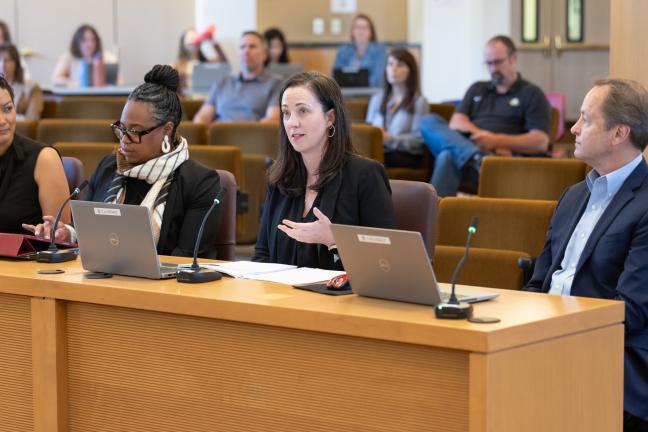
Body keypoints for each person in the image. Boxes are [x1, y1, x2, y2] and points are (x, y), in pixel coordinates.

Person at [524, 78, 648, 431]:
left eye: (586, 119)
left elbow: (631, 311)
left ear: (618, 133)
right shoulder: (573, 196)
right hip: (547, 341)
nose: (573, 129)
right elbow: (538, 283)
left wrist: (558, 332)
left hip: (607, 353)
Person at [25, 65, 222, 258]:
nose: (124, 139)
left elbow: (190, 258)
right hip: (102, 281)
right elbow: (85, 232)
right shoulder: (109, 167)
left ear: (167, 129)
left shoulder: (200, 183)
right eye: (121, 128)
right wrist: (67, 233)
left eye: (135, 131)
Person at [252, 71, 395, 270]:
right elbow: (262, 255)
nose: (292, 122)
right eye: (286, 113)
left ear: (330, 118)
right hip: (281, 298)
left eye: (303, 111)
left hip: (342, 299)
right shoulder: (279, 179)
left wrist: (334, 241)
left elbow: (385, 262)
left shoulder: (366, 175)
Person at [420, 35, 551, 196]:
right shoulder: (477, 88)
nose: (493, 68)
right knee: (428, 121)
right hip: (473, 159)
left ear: (513, 59)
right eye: (489, 63)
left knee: (447, 155)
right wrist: (481, 138)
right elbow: (456, 122)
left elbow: (540, 141)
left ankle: (432, 218)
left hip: (501, 161)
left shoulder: (531, 93)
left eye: (497, 62)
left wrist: (494, 140)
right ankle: (476, 157)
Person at [0, 75, 70, 234]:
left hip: (27, 258)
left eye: (7, 109)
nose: (3, 120)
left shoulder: (44, 159)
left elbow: (63, 238)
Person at [193, 31, 281, 124]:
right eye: (242, 47)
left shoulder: (275, 84)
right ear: (238, 53)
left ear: (264, 55)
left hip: (252, 136)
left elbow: (273, 120)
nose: (246, 51)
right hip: (218, 135)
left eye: (252, 46)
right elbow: (203, 116)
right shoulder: (222, 83)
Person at [365, 48, 428, 168]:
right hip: (377, 153)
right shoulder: (376, 99)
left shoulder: (419, 102)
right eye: (390, 64)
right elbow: (367, 131)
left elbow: (418, 141)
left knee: (369, 163)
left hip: (404, 155)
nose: (393, 69)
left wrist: (390, 138)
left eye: (400, 65)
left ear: (411, 71)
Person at [52, 24, 116, 87]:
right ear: (77, 42)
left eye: (92, 40)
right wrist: (77, 83)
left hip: (103, 96)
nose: (89, 44)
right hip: (77, 96)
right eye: (84, 40)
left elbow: (119, 81)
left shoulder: (105, 57)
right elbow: (56, 79)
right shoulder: (69, 57)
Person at [332, 14, 387, 88]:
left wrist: (354, 83)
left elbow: (378, 78)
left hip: (371, 93)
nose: (360, 31)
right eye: (357, 27)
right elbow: (336, 76)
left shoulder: (380, 51)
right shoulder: (343, 50)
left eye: (364, 28)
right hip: (346, 93)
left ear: (371, 32)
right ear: (352, 31)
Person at [172, 26, 228, 92]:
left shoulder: (207, 63)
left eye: (196, 37)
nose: (193, 39)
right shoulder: (176, 66)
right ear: (183, 43)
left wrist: (213, 42)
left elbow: (224, 65)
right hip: (187, 101)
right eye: (190, 37)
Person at [0, 44, 43, 120]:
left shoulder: (32, 88)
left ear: (16, 63)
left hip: (19, 131)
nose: (2, 64)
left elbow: (32, 121)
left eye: (7, 60)